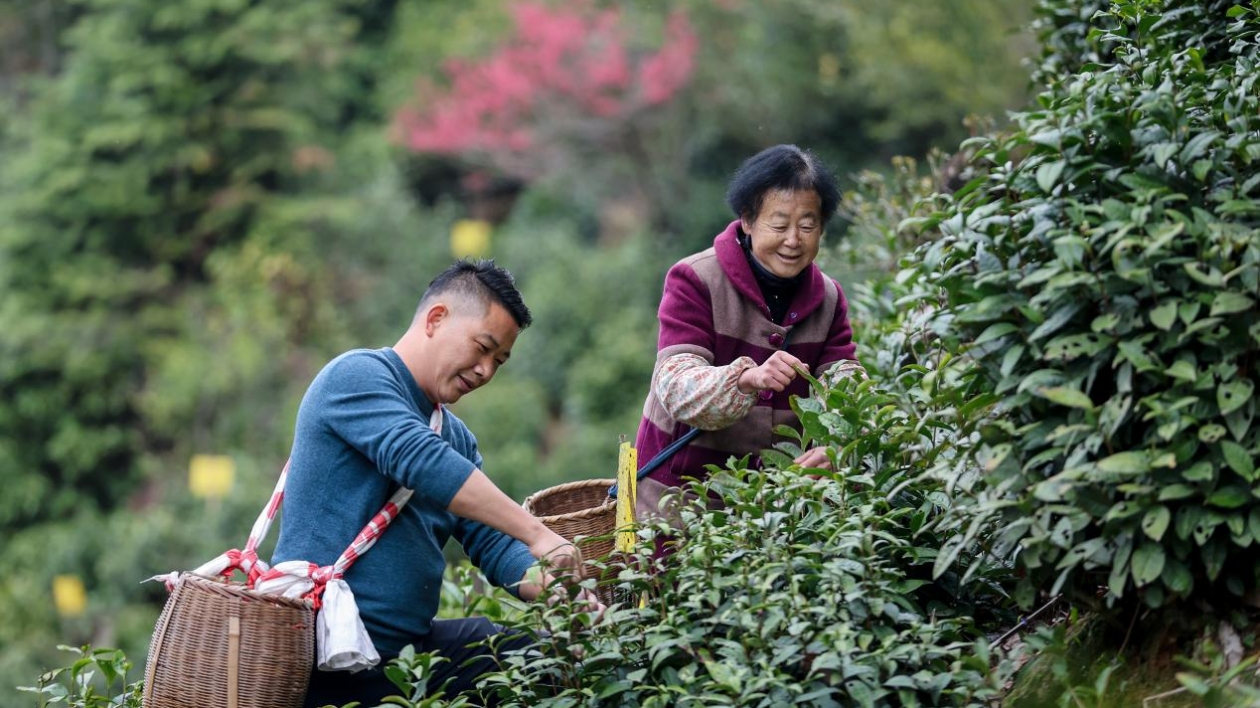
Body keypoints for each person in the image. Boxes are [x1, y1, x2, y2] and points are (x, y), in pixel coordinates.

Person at [272, 259, 586, 707]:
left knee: (526, 657)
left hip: (404, 656)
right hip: (324, 652)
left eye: (499, 361)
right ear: (437, 319)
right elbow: (418, 459)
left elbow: (493, 542)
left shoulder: (456, 439)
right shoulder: (356, 377)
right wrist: (539, 532)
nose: (485, 371)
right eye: (482, 347)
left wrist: (565, 592)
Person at [634, 144, 865, 530]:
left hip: (777, 508)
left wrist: (839, 444)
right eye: (779, 224)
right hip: (680, 502)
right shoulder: (695, 279)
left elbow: (846, 383)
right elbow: (674, 386)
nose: (793, 239)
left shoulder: (828, 298)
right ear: (747, 220)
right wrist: (745, 379)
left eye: (807, 225)